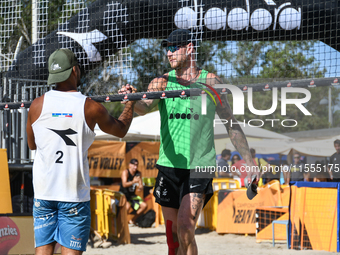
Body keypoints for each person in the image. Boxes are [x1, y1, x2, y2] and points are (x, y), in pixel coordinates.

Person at [119, 29, 257, 255]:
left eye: (175, 47)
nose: (169, 53)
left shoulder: (210, 81)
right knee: (173, 238)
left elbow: (231, 123)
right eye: (167, 48)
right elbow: (143, 108)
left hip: (198, 167)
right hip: (169, 166)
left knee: (185, 228)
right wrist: (131, 99)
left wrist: (250, 162)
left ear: (190, 48)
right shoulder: (161, 82)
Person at [26, 48, 135, 255]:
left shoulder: (36, 105)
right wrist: (129, 103)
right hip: (73, 195)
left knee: (42, 252)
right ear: (75, 70)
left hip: (44, 193)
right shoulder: (90, 107)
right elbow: (121, 130)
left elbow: (32, 145)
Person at [119, 159, 147, 224]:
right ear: (130, 165)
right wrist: (133, 182)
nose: (135, 167)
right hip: (123, 194)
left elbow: (141, 186)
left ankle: (132, 220)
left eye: (137, 165)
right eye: (134, 165)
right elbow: (124, 184)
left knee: (144, 206)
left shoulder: (138, 173)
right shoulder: (125, 172)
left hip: (132, 195)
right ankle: (123, 222)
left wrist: (140, 187)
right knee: (127, 206)